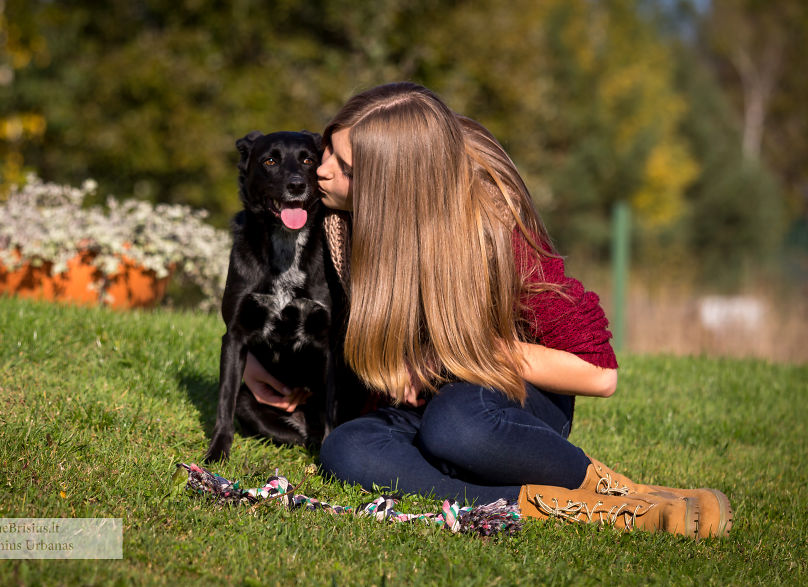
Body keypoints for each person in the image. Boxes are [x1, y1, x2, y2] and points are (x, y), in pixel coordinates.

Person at [241, 82, 732, 538]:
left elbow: (599, 374)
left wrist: (452, 356)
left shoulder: (491, 224)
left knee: (457, 426)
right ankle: (540, 505)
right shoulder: (328, 215)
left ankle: (617, 493)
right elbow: (267, 290)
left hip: (503, 403)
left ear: (392, 186)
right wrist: (251, 361)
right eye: (328, 148)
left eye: (345, 168)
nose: (321, 169)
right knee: (346, 450)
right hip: (413, 409)